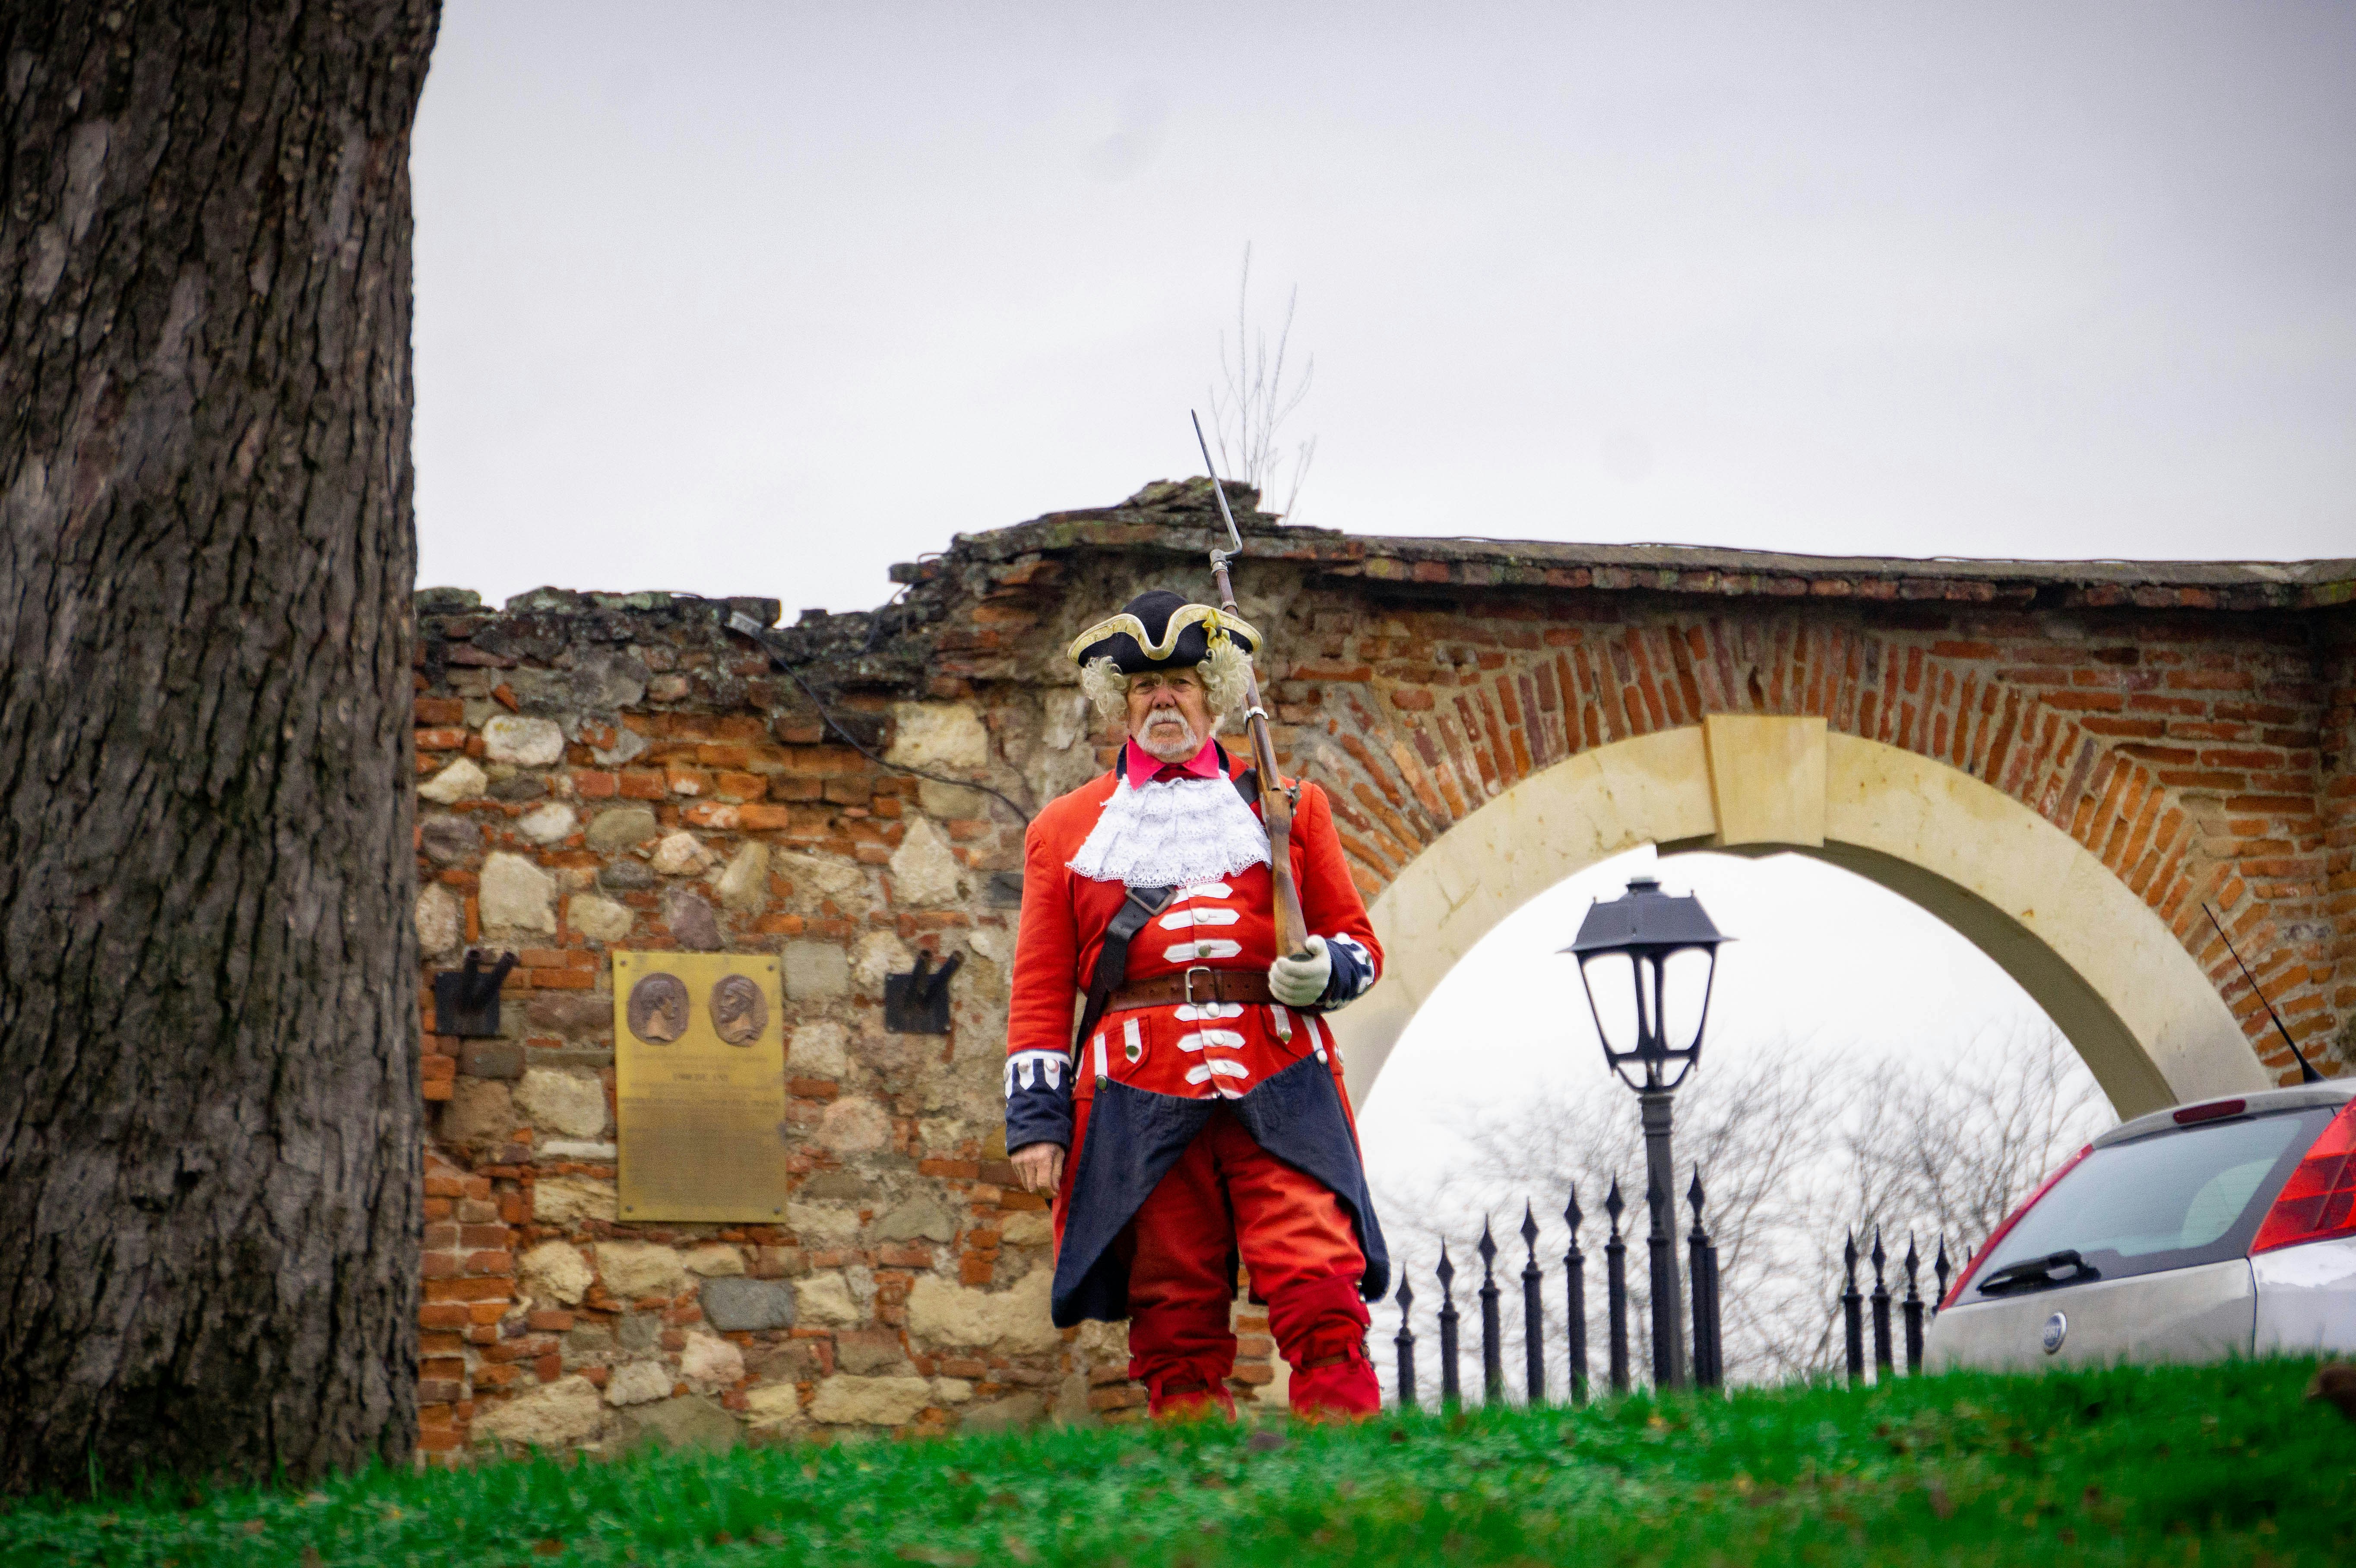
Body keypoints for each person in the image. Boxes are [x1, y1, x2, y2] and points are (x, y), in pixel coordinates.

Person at [1002, 588, 1387, 1420]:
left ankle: (1350, 1470)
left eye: (1181, 680)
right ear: (1121, 702)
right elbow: (1038, 985)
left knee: (1317, 1271)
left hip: (1278, 1072)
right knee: (1172, 1300)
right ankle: (1196, 1485)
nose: (1164, 699)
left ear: (1215, 689)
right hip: (1138, 1087)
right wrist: (1036, 1123)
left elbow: (1361, 947)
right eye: (1145, 687)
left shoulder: (1291, 807)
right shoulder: (1064, 829)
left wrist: (1321, 971)